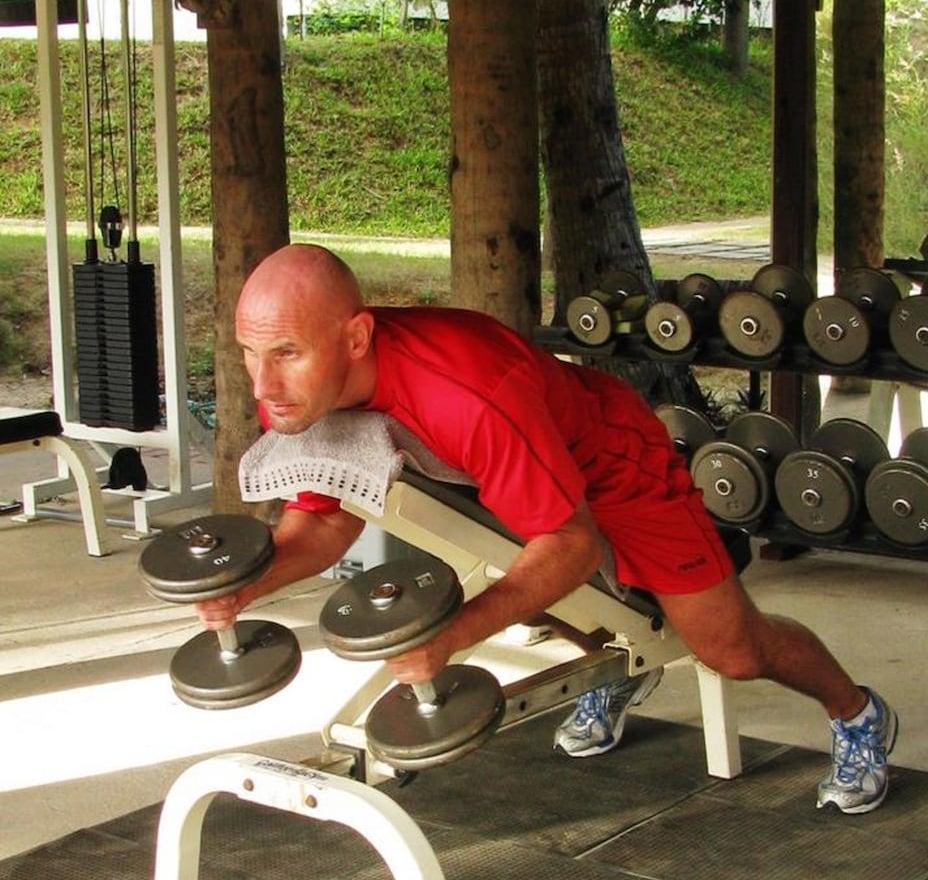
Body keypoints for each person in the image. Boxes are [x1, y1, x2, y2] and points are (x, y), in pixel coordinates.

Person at [198, 243, 898, 815]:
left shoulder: (468, 395)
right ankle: (622, 664)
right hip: (487, 473)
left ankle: (858, 712)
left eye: (284, 353)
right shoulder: (293, 391)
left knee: (733, 649)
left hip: (611, 462)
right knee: (518, 566)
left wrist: (453, 636)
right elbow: (322, 526)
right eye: (249, 354)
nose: (261, 384)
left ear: (355, 337)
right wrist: (247, 587)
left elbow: (571, 543)